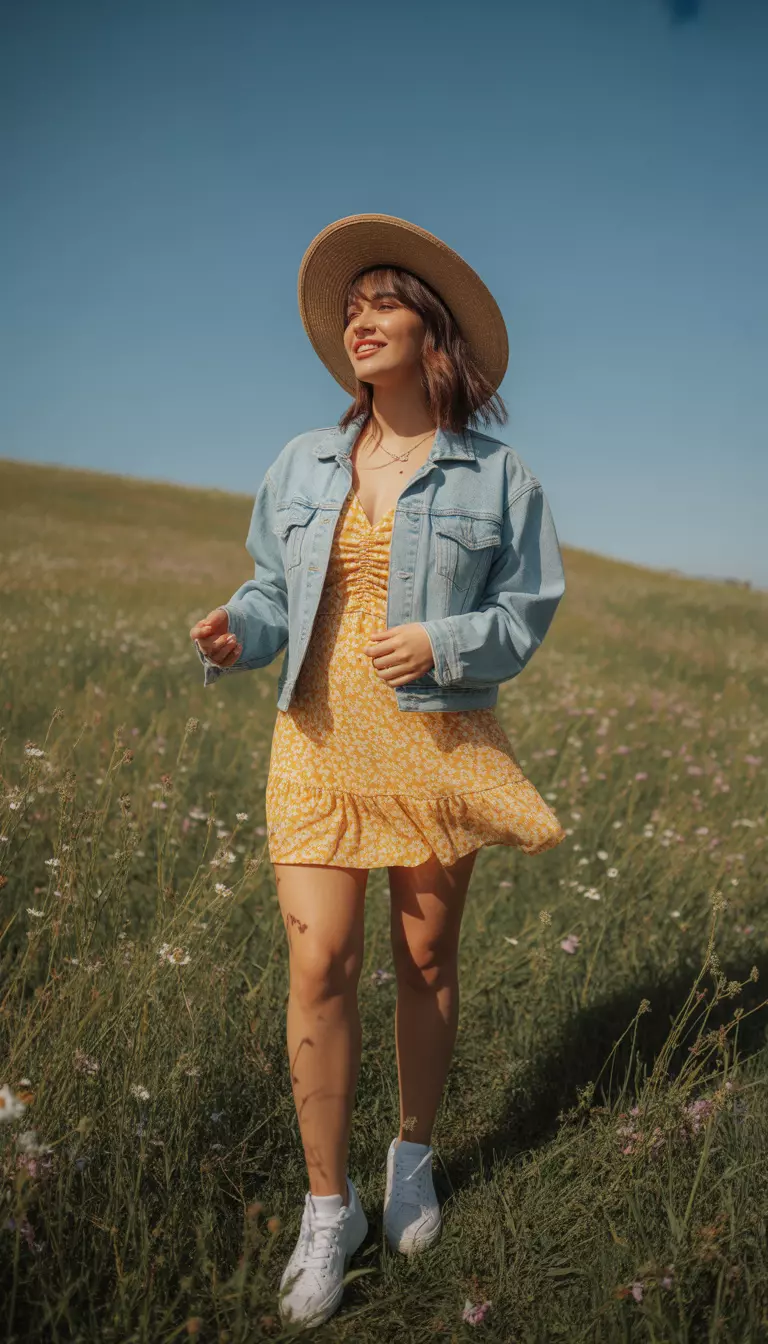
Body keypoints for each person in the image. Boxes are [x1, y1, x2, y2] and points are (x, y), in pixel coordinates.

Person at [189, 213, 567, 1330]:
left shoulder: (499, 476)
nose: (361, 323)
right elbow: (270, 593)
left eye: (383, 305)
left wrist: (443, 646)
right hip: (313, 736)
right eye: (352, 311)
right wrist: (235, 630)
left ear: (431, 333)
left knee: (425, 955)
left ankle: (411, 1156)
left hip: (433, 740)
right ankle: (328, 1207)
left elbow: (528, 610)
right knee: (322, 965)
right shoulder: (300, 461)